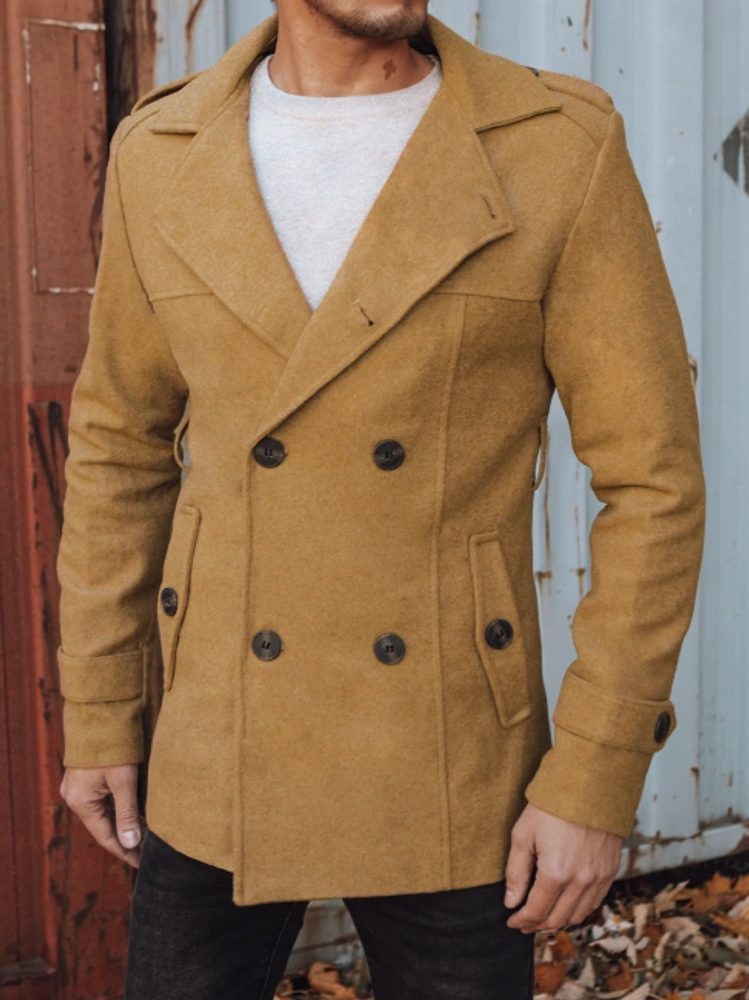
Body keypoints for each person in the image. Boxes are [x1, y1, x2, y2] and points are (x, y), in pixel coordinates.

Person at [55, 1, 706, 997]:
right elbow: (118, 451)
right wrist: (102, 711)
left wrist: (593, 773)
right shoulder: (164, 148)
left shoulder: (552, 145)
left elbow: (652, 482)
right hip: (217, 742)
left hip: (448, 755)